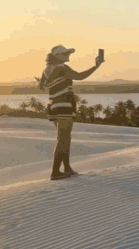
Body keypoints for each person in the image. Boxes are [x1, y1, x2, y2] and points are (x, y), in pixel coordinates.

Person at [37, 45, 104, 180]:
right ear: (59, 56)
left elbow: (41, 86)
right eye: (66, 53)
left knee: (64, 139)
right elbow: (80, 76)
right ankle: (55, 172)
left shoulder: (46, 70)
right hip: (64, 105)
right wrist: (96, 66)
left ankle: (67, 168)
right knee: (63, 140)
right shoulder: (62, 68)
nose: (69, 55)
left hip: (54, 106)